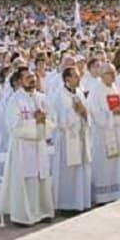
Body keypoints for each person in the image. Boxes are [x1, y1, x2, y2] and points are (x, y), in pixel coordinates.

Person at [0, 67, 54, 225]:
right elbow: (14, 127)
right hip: (22, 147)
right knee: (26, 179)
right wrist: (36, 123)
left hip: (39, 146)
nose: (32, 79)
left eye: (33, 76)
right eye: (28, 77)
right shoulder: (15, 100)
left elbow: (53, 120)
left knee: (40, 177)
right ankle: (23, 215)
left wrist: (43, 123)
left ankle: (42, 211)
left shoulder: (42, 98)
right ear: (20, 81)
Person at [50, 67, 91, 211]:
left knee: (80, 171)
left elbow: (86, 113)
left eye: (79, 76)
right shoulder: (59, 95)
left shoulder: (79, 92)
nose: (79, 79)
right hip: (67, 139)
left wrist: (83, 113)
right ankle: (66, 205)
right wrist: (76, 113)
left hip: (80, 137)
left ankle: (80, 202)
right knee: (68, 173)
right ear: (67, 78)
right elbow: (58, 120)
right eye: (75, 76)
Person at [85, 64, 120, 205]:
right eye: (110, 73)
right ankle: (103, 197)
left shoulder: (116, 88)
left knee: (116, 165)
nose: (114, 76)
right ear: (102, 75)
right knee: (104, 165)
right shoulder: (96, 91)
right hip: (103, 134)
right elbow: (95, 113)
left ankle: (117, 193)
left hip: (117, 131)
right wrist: (112, 113)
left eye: (114, 73)